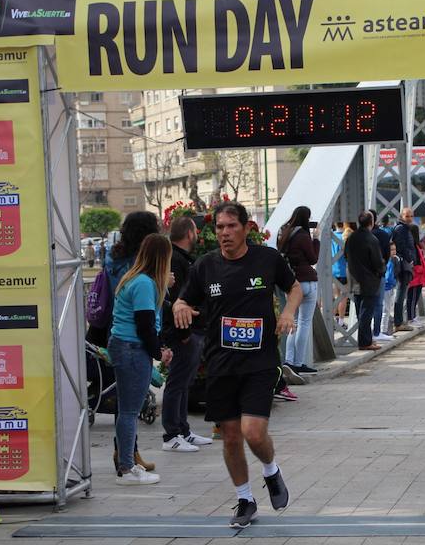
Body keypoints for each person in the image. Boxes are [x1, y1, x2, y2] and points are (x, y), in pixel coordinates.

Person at [173, 201, 301, 528]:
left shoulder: (267, 259)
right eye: (220, 227)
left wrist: (287, 313)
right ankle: (245, 499)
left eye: (231, 226)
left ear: (245, 228)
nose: (225, 233)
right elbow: (183, 298)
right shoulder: (205, 267)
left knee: (253, 432)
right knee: (230, 437)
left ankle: (271, 472)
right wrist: (180, 307)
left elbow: (295, 288)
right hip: (220, 364)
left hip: (259, 361)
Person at [92, 211, 161, 473]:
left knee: (126, 401)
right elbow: (142, 309)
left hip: (112, 329)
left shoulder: (114, 257)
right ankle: (127, 458)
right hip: (131, 335)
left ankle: (127, 452)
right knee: (130, 404)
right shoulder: (137, 266)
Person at [109, 234, 175, 485]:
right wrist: (158, 353)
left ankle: (126, 463)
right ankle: (127, 468)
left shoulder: (133, 278)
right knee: (129, 411)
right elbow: (145, 324)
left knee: (126, 409)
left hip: (123, 346)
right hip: (132, 348)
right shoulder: (145, 284)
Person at [161, 216, 212, 452]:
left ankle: (183, 430)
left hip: (191, 329)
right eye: (195, 231)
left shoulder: (181, 259)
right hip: (184, 332)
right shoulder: (176, 261)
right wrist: (183, 333)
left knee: (184, 382)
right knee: (177, 381)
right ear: (190, 234)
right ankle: (172, 434)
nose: (198, 235)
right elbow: (175, 301)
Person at [278, 206, 320, 374]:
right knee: (303, 323)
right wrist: (315, 239)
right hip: (307, 281)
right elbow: (312, 258)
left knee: (292, 322)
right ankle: (299, 362)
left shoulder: (284, 233)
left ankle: (288, 361)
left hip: (291, 282)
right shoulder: (303, 235)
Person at [345, 211, 385, 352]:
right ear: (372, 222)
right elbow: (377, 262)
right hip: (369, 280)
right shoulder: (371, 239)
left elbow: (345, 255)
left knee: (359, 311)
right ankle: (365, 342)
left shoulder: (351, 237)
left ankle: (365, 340)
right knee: (366, 313)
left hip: (354, 279)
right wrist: (381, 271)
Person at [391, 207, 416, 332]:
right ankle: (398, 322)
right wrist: (410, 258)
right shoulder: (401, 229)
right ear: (402, 216)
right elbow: (402, 246)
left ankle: (399, 321)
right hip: (403, 265)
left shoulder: (404, 228)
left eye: (411, 216)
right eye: (407, 216)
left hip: (404, 263)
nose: (410, 218)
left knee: (401, 293)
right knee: (400, 293)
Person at [369, 211, 392, 341]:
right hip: (379, 273)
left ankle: (364, 333)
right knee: (378, 303)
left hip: (362, 275)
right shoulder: (383, 235)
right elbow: (387, 256)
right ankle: (377, 332)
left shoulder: (355, 235)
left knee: (363, 304)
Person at [407, 224, 425, 326]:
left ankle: (412, 316)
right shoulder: (414, 245)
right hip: (417, 273)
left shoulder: (416, 245)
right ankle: (411, 318)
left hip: (417, 273)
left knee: (414, 296)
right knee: (413, 296)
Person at [379, 243, 399, 339]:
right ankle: (383, 330)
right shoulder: (389, 262)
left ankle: (384, 329)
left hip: (389, 287)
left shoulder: (392, 260)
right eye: (391, 250)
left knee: (386, 309)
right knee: (385, 310)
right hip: (387, 288)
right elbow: (388, 277)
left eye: (394, 249)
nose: (394, 251)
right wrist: (393, 282)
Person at [331, 225, 349, 329]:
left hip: (333, 270)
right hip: (343, 271)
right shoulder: (346, 235)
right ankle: (341, 321)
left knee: (335, 297)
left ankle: (332, 319)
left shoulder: (330, 236)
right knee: (343, 298)